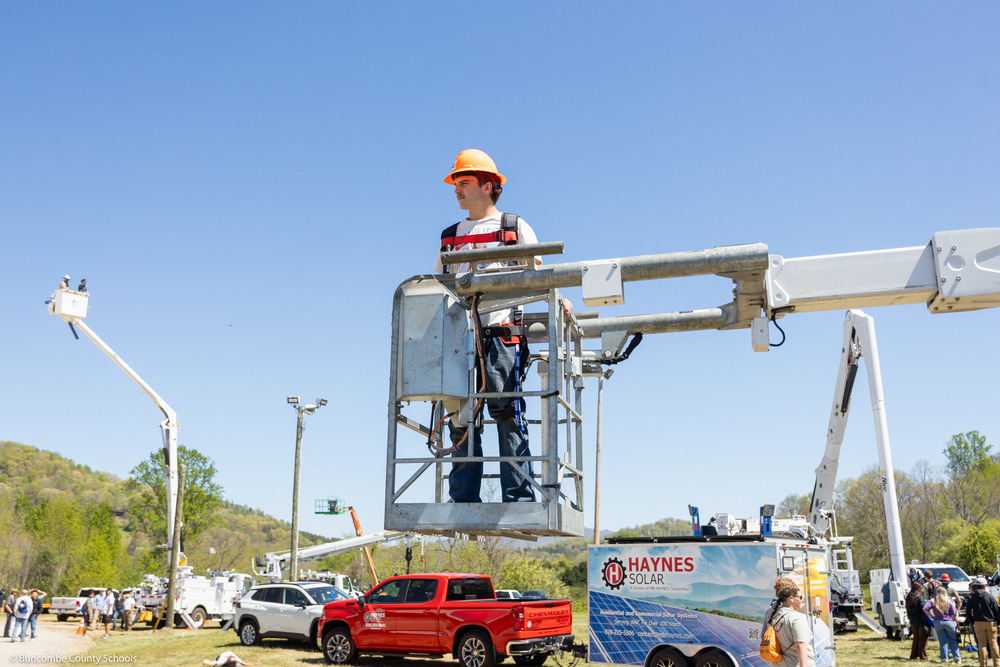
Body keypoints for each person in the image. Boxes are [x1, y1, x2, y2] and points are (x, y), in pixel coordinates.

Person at [434, 148, 571, 503]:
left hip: (500, 338)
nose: (456, 190)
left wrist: (559, 300)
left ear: (488, 184)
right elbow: (437, 288)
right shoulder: (449, 237)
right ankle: (463, 497)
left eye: (463, 182)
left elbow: (540, 274)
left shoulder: (513, 227)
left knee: (507, 413)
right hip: (458, 339)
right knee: (461, 417)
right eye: (456, 183)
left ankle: (519, 496)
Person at [769, 582, 815, 666]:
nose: (802, 600)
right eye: (800, 597)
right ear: (791, 598)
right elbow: (800, 644)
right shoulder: (797, 618)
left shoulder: (775, 618)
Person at [966, 577, 1000, 667]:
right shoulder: (990, 597)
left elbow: (968, 612)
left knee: (982, 645)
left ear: (976, 586)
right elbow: (996, 611)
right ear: (985, 586)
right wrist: (998, 622)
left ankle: (983, 664)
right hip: (991, 623)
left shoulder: (971, 597)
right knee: (993, 644)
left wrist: (972, 621)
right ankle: (997, 664)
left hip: (978, 623)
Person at [925, 585, 961, 664]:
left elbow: (925, 609)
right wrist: (957, 621)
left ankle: (945, 659)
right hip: (949, 622)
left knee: (943, 642)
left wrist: (932, 616)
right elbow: (955, 613)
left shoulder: (933, 600)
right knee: (953, 641)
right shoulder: (948, 600)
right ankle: (957, 659)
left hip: (938, 622)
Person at [906, 580, 932, 661]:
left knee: (915, 639)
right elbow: (925, 609)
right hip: (921, 622)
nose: (923, 590)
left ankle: (913, 655)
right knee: (923, 640)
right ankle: (923, 656)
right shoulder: (920, 598)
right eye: (921, 588)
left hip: (913, 622)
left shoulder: (908, 597)